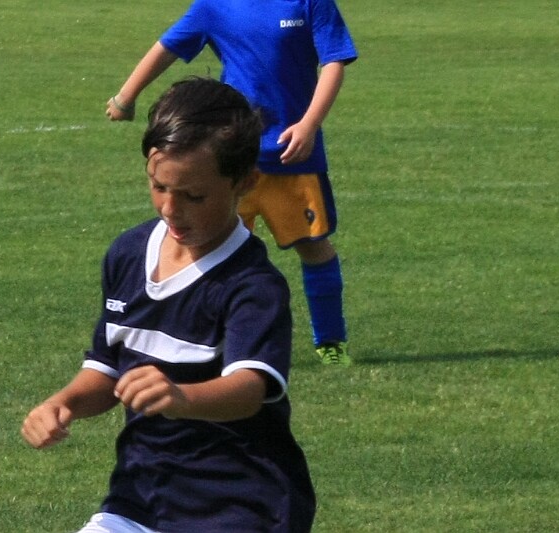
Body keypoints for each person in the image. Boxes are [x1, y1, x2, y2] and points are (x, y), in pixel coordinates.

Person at [24, 78, 315, 533]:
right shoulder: (127, 254)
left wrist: (181, 398)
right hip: (140, 498)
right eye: (158, 186)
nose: (170, 208)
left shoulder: (252, 284)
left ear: (245, 182)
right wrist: (63, 404)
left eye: (193, 196)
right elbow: (106, 369)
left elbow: (249, 389)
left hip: (241, 506)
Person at [105, 0, 359, 366]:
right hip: (228, 163)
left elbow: (333, 61)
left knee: (313, 247)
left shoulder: (310, 2)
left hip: (293, 157)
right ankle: (213, 342)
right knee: (211, 251)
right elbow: (168, 46)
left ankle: (331, 341)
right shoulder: (215, 5)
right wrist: (126, 96)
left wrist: (309, 124)